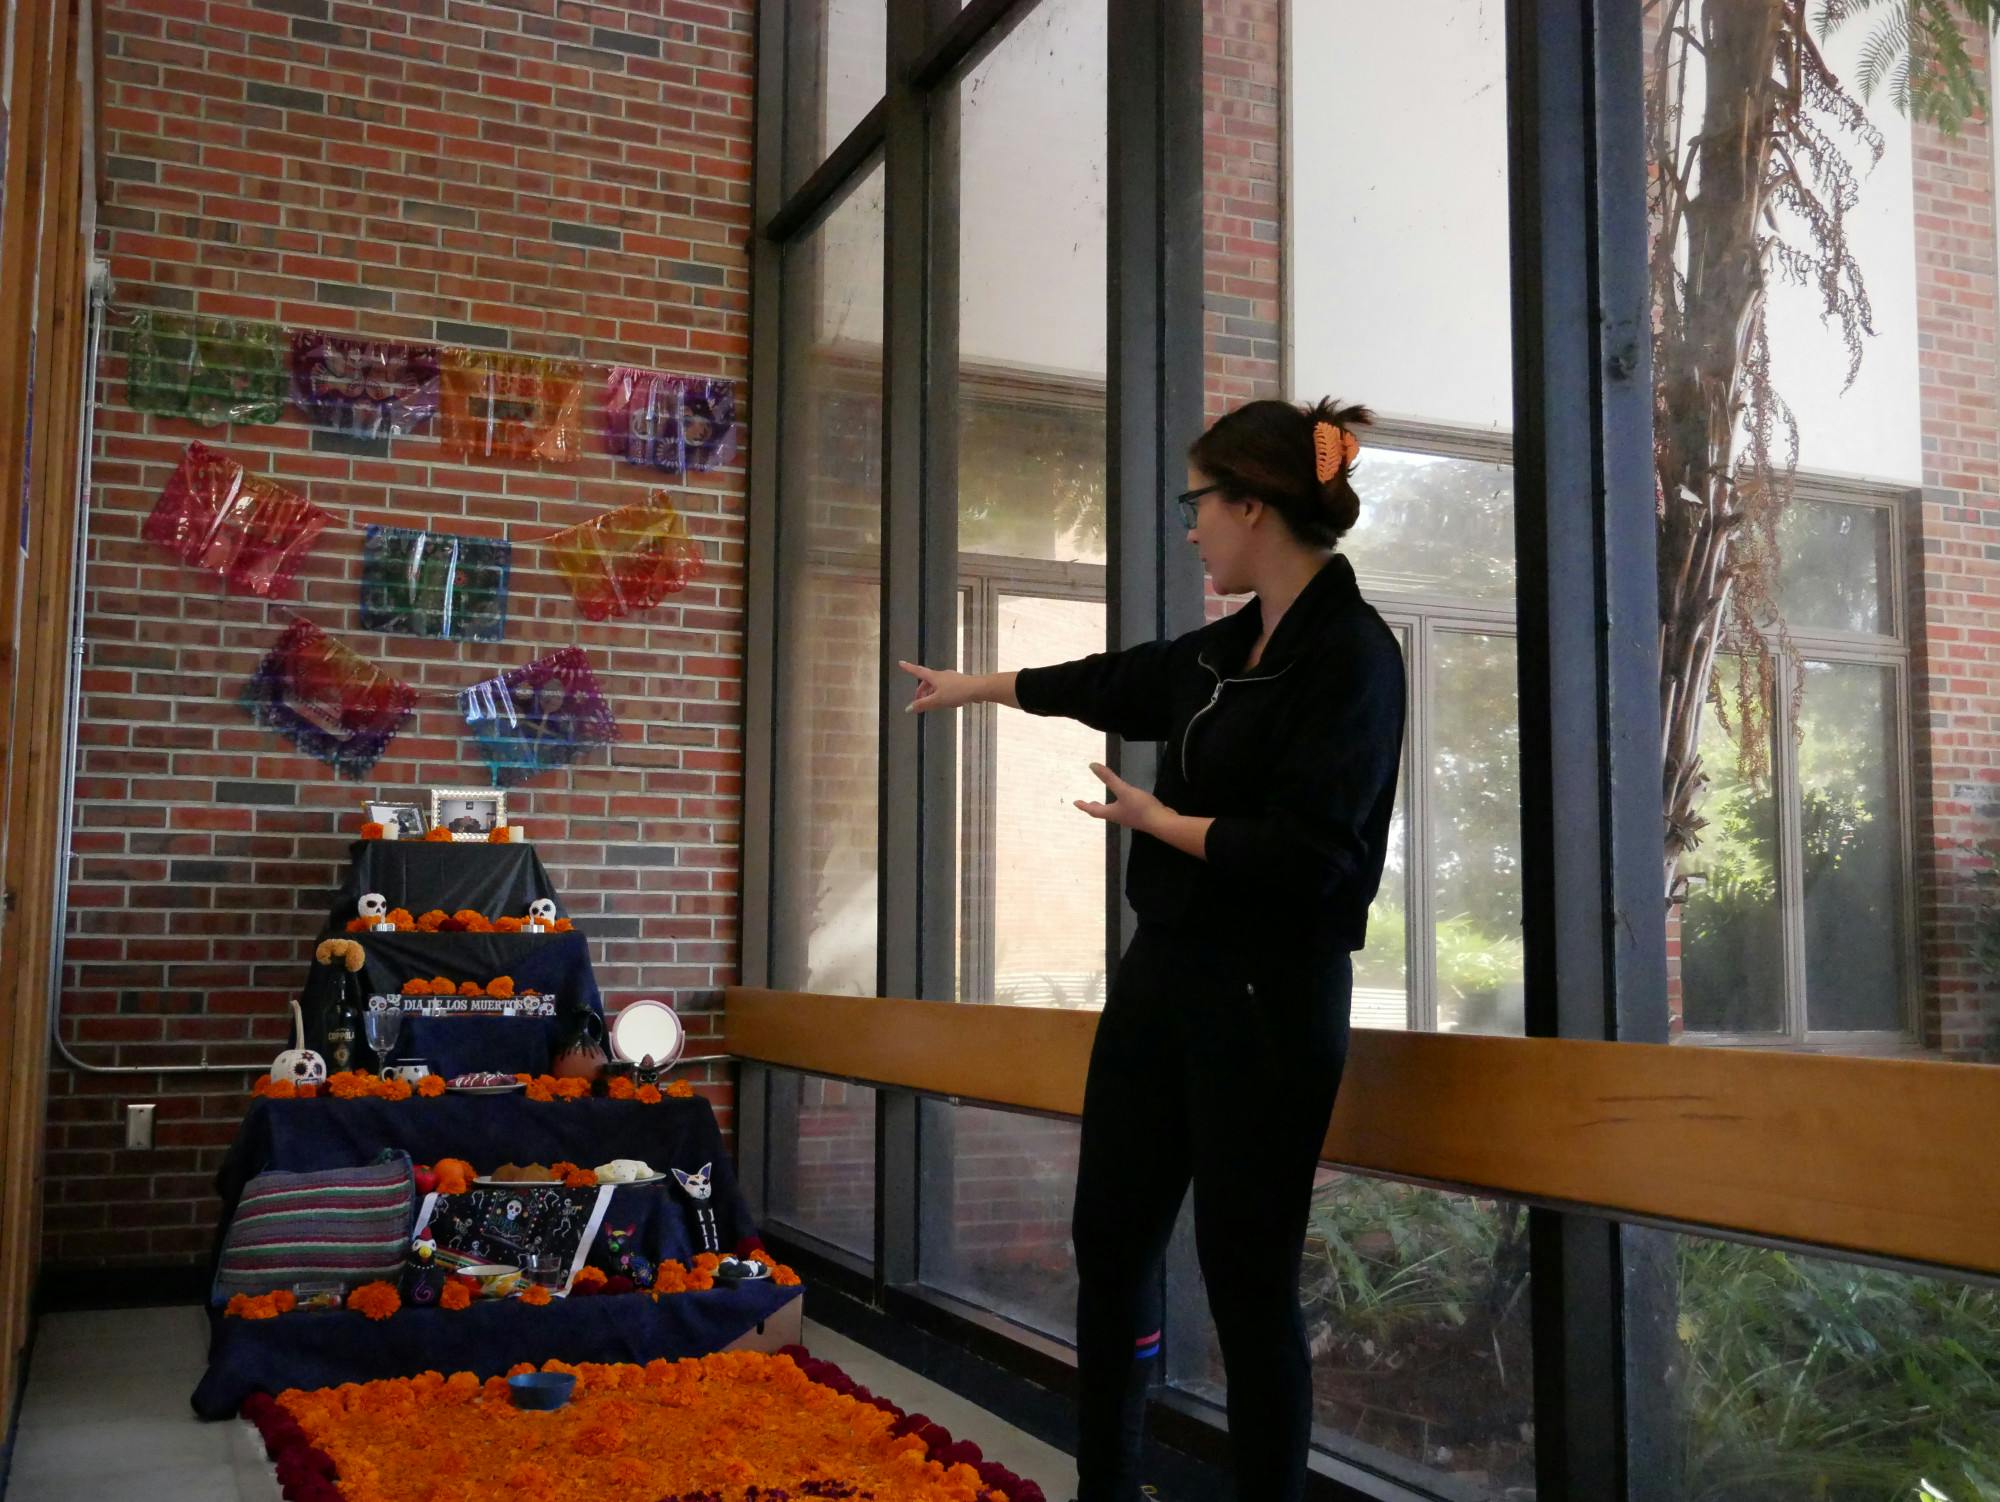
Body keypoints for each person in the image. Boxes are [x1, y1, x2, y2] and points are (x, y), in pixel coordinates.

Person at [902, 397, 1406, 1501]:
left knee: (1245, 1280)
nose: (1189, 529)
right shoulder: (1228, 646)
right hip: (1166, 975)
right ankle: (1108, 1486)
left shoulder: (1354, 656)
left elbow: (1316, 854)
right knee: (1110, 1241)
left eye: (1197, 505)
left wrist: (1162, 823)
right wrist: (977, 685)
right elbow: (1113, 682)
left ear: (1252, 508)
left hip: (1270, 998)